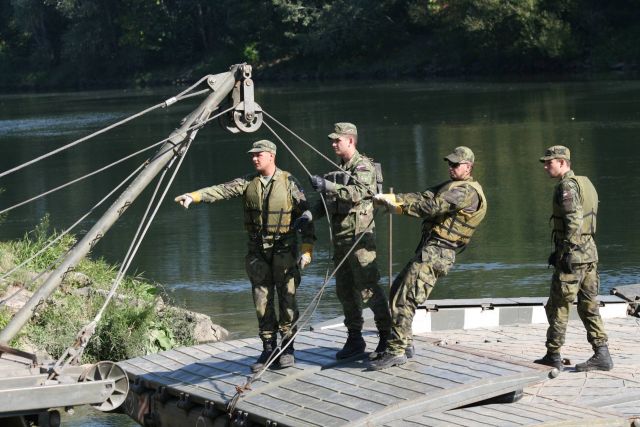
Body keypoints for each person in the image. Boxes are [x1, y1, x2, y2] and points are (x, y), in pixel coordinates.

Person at [174, 139, 315, 373]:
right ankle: (268, 348)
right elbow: (221, 190)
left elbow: (306, 216)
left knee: (287, 300)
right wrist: (194, 196)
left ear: (271, 156)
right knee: (261, 300)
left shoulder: (289, 182)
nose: (254, 158)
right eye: (253, 155)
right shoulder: (247, 182)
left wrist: (307, 249)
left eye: (259, 154)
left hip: (284, 251)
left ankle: (287, 348)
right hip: (257, 252)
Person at [370, 146, 487, 370]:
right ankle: (405, 344)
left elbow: (432, 207)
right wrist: (392, 198)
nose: (451, 168)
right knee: (398, 290)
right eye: (450, 164)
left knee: (405, 298)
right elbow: (423, 196)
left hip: (439, 252)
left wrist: (399, 209)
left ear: (469, 167)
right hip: (430, 249)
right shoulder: (450, 186)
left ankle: (396, 351)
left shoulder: (466, 192)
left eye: (456, 164)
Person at [308, 122, 392, 360]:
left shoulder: (363, 166)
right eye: (333, 141)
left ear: (351, 141)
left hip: (359, 240)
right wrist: (309, 215)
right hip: (340, 240)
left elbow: (358, 192)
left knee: (368, 288)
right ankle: (355, 338)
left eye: (338, 140)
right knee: (345, 291)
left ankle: (387, 336)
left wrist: (327, 184)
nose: (333, 144)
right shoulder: (337, 168)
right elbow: (327, 201)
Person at [534, 145, 613, 372]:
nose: (546, 166)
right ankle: (602, 353)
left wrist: (567, 250)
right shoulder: (585, 183)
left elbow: (574, 219)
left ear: (562, 162)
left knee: (558, 305)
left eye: (549, 162)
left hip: (573, 256)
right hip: (589, 254)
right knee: (589, 305)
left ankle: (553, 355)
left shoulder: (567, 186)